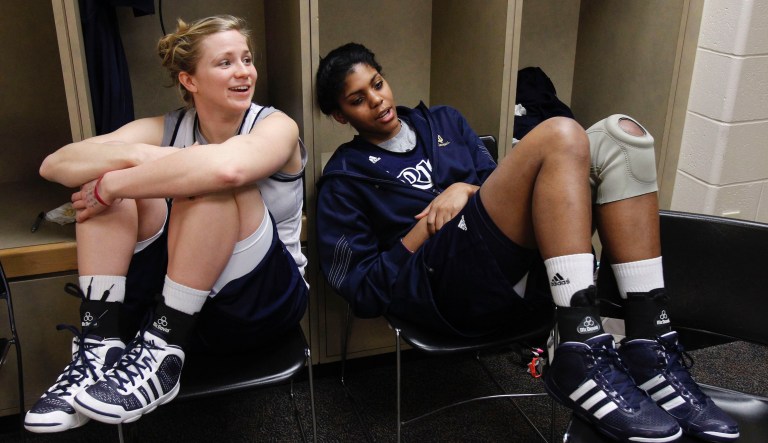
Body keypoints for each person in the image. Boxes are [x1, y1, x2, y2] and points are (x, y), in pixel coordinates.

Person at [314, 43, 739, 443]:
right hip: (445, 293)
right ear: (340, 116)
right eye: (357, 99)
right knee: (561, 134)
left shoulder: (442, 121)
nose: (377, 100)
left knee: (623, 137)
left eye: (377, 83)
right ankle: (580, 340)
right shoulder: (344, 179)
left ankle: (650, 341)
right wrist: (423, 229)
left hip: (517, 270)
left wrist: (465, 189)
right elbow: (362, 291)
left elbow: (499, 191)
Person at [24, 15, 308, 432]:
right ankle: (99, 343)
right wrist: (136, 161)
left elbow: (227, 170)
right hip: (180, 301)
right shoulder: (167, 127)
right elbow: (56, 164)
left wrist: (117, 182)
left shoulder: (275, 126)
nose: (244, 71)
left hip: (260, 305)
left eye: (246, 59)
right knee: (109, 180)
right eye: (225, 62)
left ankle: (164, 346)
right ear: (189, 80)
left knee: (209, 183)